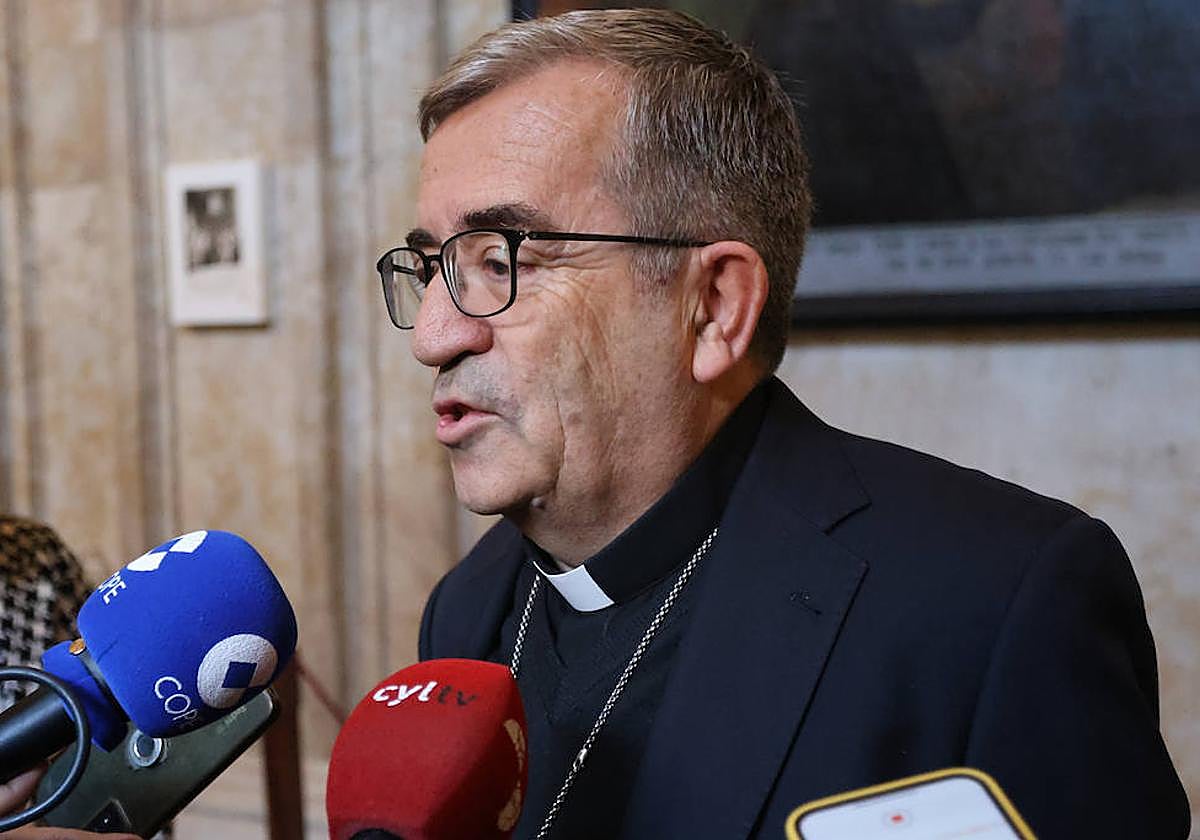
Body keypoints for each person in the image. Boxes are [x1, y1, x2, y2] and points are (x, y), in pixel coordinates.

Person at [398, 8, 1189, 839]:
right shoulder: (469, 608)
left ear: (713, 308)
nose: (432, 336)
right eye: (428, 267)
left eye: (501, 261)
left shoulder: (993, 604)